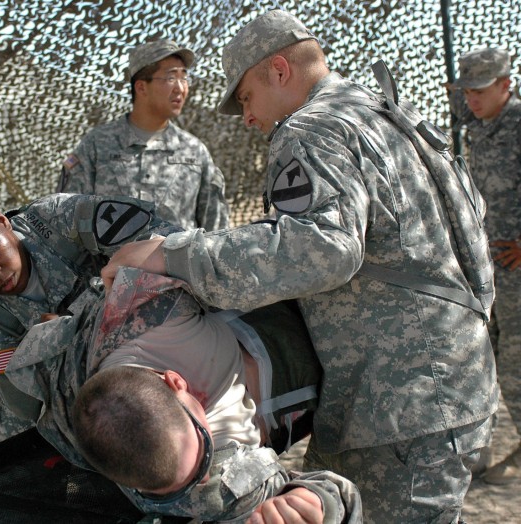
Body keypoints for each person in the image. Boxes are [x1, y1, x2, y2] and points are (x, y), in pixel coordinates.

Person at [100, 10, 499, 523]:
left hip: (396, 401)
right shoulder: (387, 117)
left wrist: (168, 253)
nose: (247, 116)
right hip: (452, 380)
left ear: (280, 71)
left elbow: (322, 249)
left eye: (245, 96)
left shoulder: (310, 130)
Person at [6, 265, 361, 523]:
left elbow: (218, 255)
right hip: (333, 381)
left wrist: (165, 252)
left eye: (203, 446)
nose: (204, 475)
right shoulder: (215, 487)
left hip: (282, 308)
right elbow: (334, 497)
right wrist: (317, 505)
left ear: (176, 381)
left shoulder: (141, 313)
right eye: (182, 485)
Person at [0, 181, 180, 444]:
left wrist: (76, 320)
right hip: (75, 410)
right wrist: (44, 342)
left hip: (160, 350)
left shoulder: (64, 219)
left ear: (1, 219)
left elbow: (169, 246)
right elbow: (15, 385)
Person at [57, 38, 230, 232]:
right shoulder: (97, 145)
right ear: (141, 87)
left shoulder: (194, 152)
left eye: (184, 78)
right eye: (171, 78)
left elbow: (216, 233)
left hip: (178, 262)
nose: (180, 88)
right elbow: (68, 222)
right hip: (111, 263)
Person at [448, 47, 521, 486]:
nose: (471, 99)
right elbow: (460, 107)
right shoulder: (480, 122)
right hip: (485, 268)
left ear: (505, 85)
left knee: (515, 363)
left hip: (517, 270)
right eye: (466, 92)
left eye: (480, 90)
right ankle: (480, 450)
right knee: (482, 363)